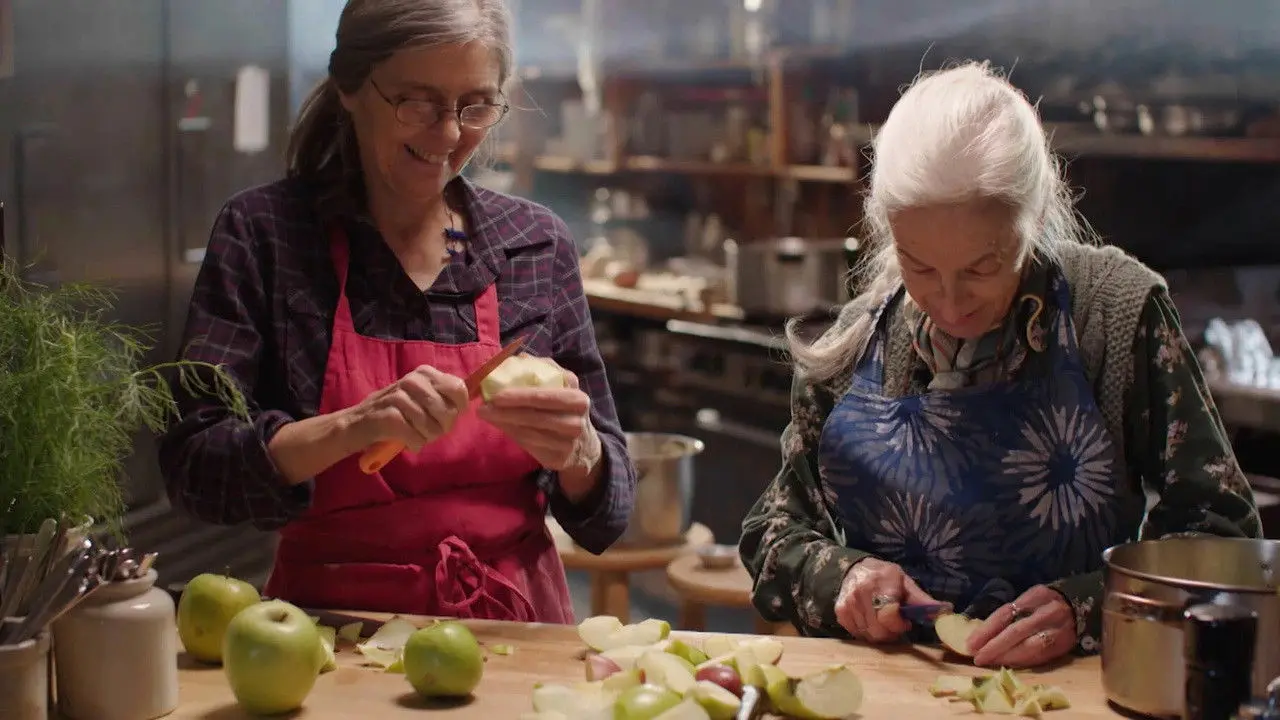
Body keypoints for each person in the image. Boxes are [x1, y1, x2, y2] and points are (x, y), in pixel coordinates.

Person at [738, 62, 1261, 669]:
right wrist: (844, 578)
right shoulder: (854, 347)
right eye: (920, 267)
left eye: (982, 268)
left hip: (1078, 695)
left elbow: (1223, 540)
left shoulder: (1114, 317)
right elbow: (772, 537)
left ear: (1033, 220)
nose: (951, 302)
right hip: (894, 697)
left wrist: (1091, 608)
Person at [158, 0, 635, 624]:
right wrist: (352, 427)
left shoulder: (533, 244)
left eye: (475, 105)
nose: (447, 134)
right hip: (324, 636)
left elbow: (611, 508)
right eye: (417, 101)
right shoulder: (267, 234)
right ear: (351, 86)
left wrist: (579, 453)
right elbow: (196, 467)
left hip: (517, 631)